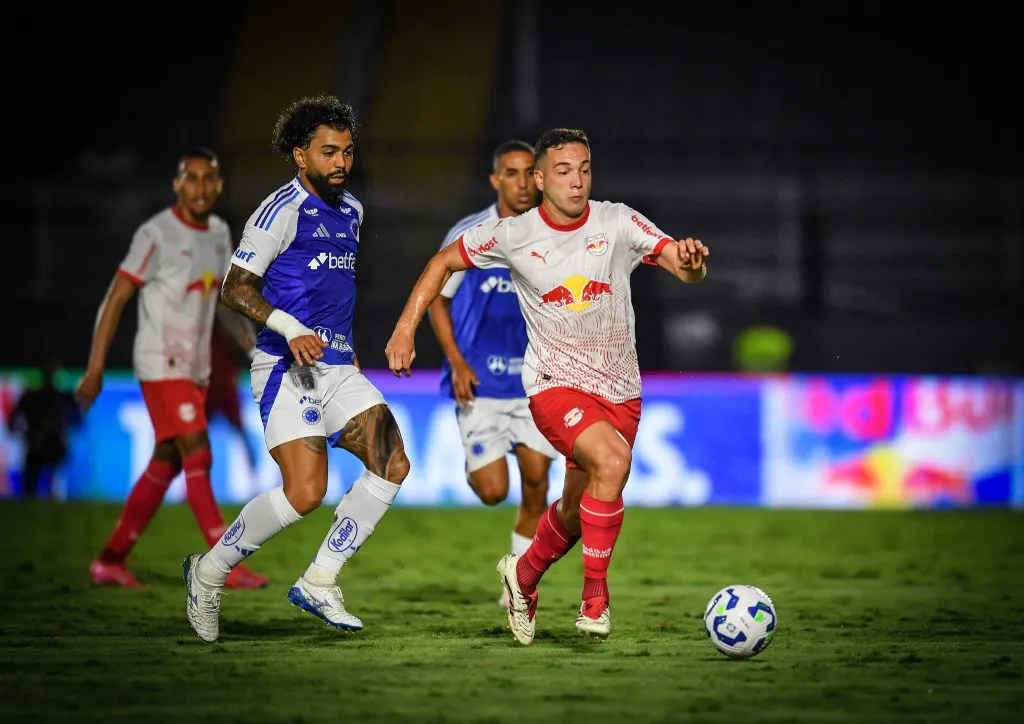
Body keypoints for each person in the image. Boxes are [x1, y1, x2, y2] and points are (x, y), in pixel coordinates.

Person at [386, 128, 709, 644]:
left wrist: (692, 265)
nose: (576, 180)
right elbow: (442, 262)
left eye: (584, 169)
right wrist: (405, 328)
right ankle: (595, 599)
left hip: (621, 388)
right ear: (540, 179)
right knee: (612, 463)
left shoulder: (618, 221)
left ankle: (524, 574)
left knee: (576, 510)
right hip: (553, 385)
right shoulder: (514, 234)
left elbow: (679, 263)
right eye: (563, 171)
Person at [182, 95, 410, 643]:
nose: (341, 162)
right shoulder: (280, 210)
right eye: (328, 152)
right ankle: (208, 572)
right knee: (306, 493)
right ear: (299, 157)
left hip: (336, 363)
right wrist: (290, 328)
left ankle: (320, 579)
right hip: (285, 366)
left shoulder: (352, 211)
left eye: (348, 152)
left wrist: (343, 345)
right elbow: (237, 289)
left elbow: (332, 289)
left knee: (392, 462)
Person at [76, 147, 269, 590]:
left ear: (218, 186)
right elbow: (116, 298)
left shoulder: (219, 233)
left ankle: (109, 560)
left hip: (196, 368)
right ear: (176, 184)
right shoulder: (156, 234)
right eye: (191, 178)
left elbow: (226, 301)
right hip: (160, 364)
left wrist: (250, 345)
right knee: (198, 451)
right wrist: (95, 367)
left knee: (166, 462)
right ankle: (224, 563)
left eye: (208, 179)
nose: (200, 187)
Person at [427, 139, 558, 608]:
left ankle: (520, 584)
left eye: (530, 173)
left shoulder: (554, 232)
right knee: (492, 491)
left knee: (538, 482)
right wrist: (456, 361)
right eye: (512, 173)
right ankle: (476, 463)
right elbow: (437, 300)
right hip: (479, 382)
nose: (522, 184)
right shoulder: (472, 231)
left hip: (533, 381)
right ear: (495, 180)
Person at [7, 356, 80, 500]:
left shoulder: (63, 397)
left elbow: (78, 420)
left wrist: (60, 429)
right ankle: (30, 506)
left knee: (55, 478)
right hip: (36, 442)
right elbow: (14, 418)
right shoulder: (31, 396)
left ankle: (53, 502)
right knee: (31, 481)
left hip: (54, 443)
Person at [206, 306, 263, 471]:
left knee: (241, 432)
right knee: (194, 439)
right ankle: (189, 479)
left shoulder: (229, 327)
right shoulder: (202, 328)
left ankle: (254, 476)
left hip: (224, 388)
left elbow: (244, 346)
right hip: (208, 389)